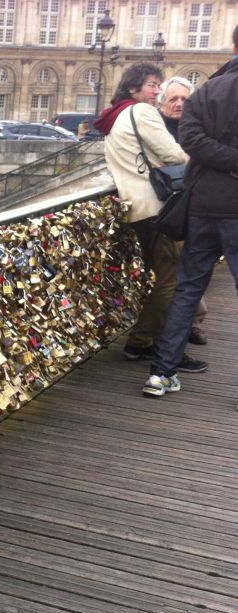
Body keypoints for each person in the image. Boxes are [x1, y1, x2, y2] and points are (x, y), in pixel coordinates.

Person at [143, 26, 238, 399]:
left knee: (186, 291)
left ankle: (161, 374)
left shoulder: (206, 90)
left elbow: (191, 141)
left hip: (200, 205)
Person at [92, 64, 202, 373]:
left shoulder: (116, 116)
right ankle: (154, 345)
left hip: (137, 208)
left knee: (166, 278)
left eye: (158, 85)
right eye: (152, 85)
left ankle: (143, 342)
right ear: (133, 88)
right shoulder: (142, 113)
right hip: (159, 207)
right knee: (173, 281)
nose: (157, 91)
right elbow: (174, 155)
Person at [157, 77, 209, 347]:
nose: (179, 104)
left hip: (198, 204)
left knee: (192, 265)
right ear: (162, 102)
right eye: (173, 99)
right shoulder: (158, 127)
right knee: (179, 268)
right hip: (169, 207)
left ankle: (193, 322)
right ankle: (184, 324)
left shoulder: (198, 125)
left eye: (184, 100)